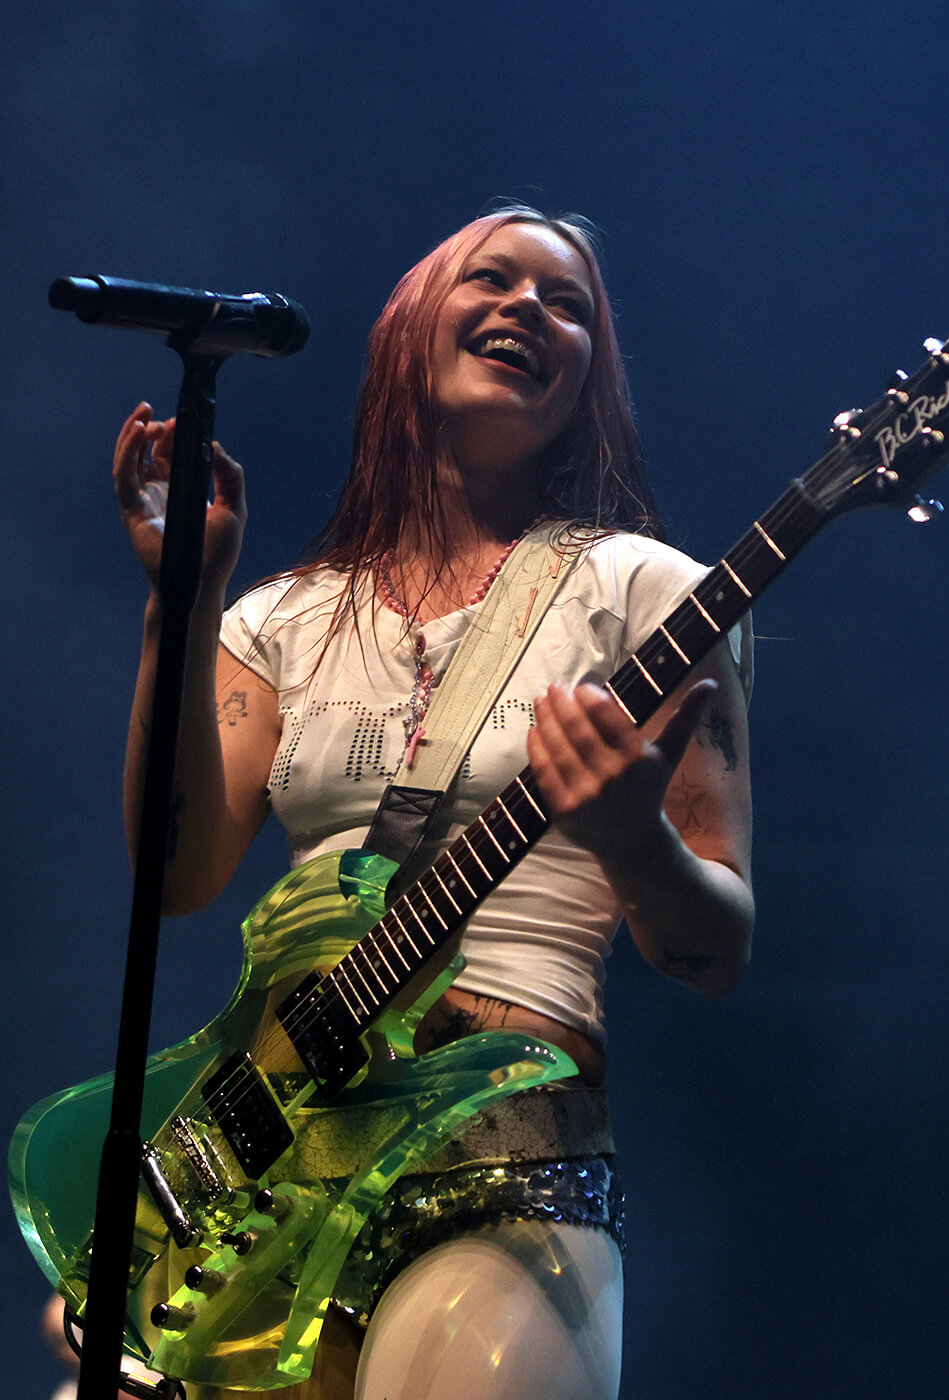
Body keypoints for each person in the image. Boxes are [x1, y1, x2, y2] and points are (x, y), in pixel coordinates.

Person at [113, 206, 754, 1400]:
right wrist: (181, 602)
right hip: (280, 1177)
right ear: (410, 333)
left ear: (588, 378)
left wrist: (636, 839)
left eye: (567, 302)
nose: (528, 307)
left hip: (504, 1164)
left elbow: (713, 948)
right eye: (493, 278)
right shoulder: (279, 619)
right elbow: (176, 874)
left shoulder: (649, 592)